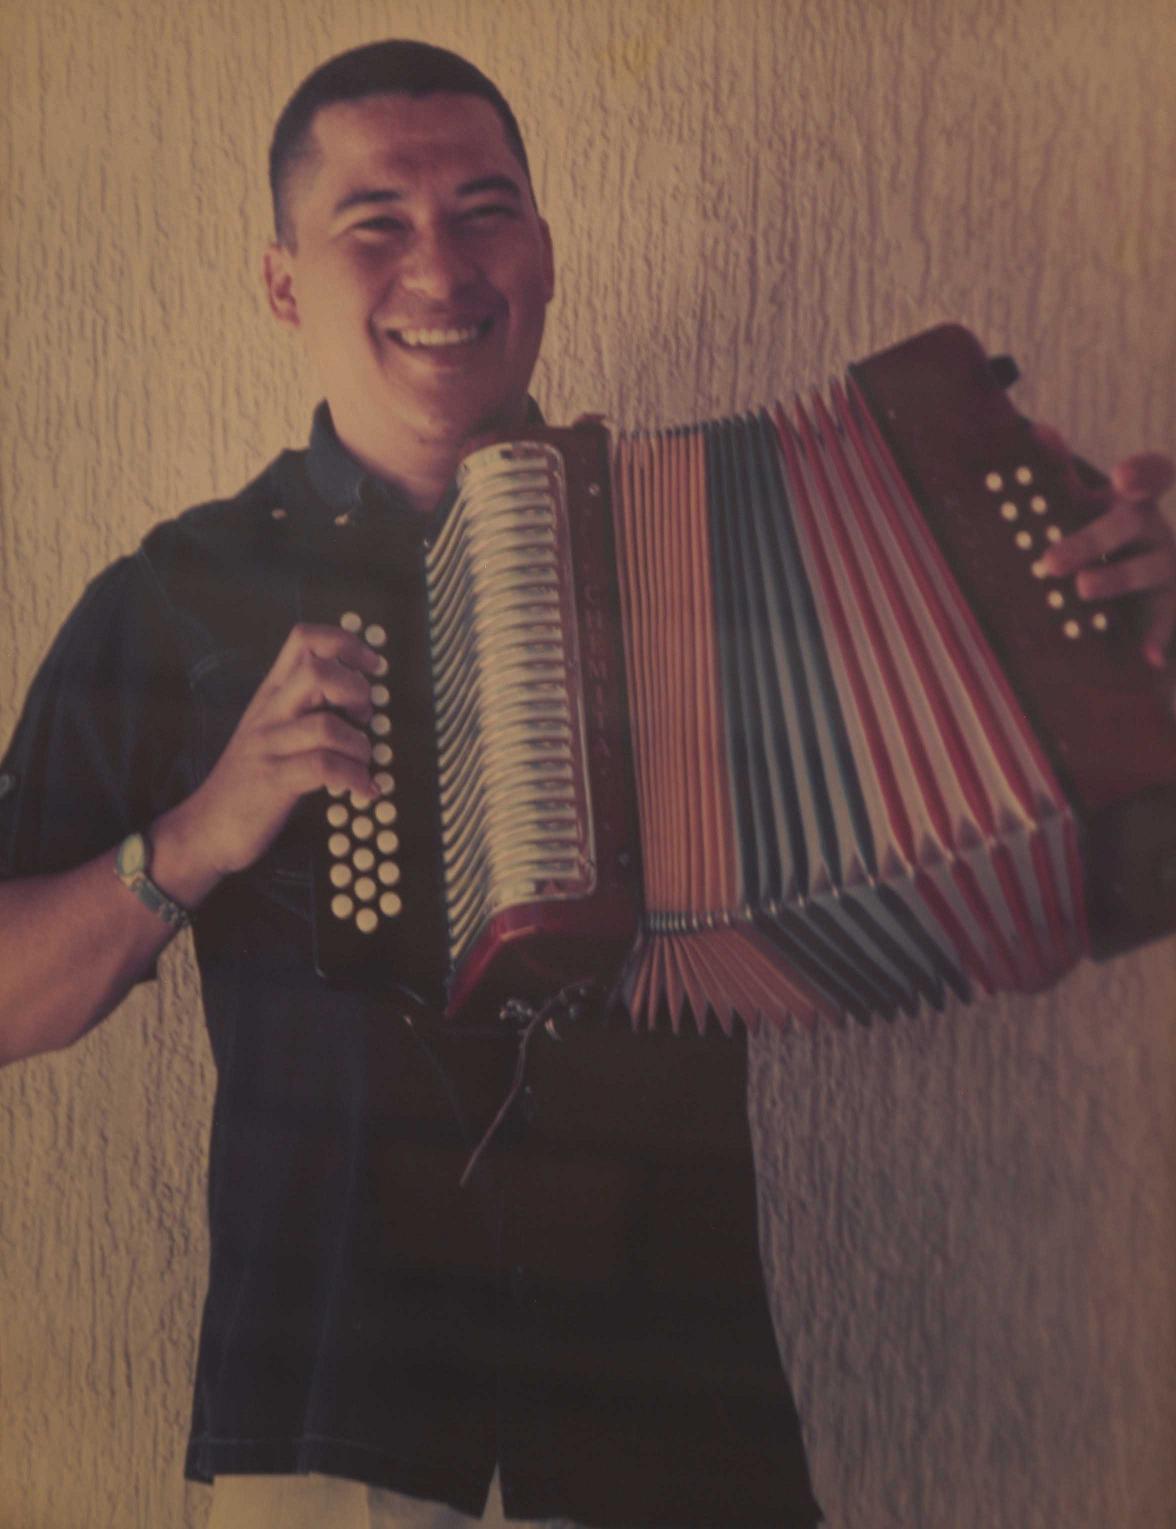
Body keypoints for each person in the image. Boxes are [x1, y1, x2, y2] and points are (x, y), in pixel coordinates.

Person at [0, 38, 1173, 1529]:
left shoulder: (714, 553)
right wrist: (190, 841)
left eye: (484, 210)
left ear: (544, 253)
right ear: (285, 284)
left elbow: (1097, 864)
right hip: (333, 1428)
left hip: (678, 1431)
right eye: (376, 221)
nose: (441, 267)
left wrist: (1128, 658)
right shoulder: (174, 598)